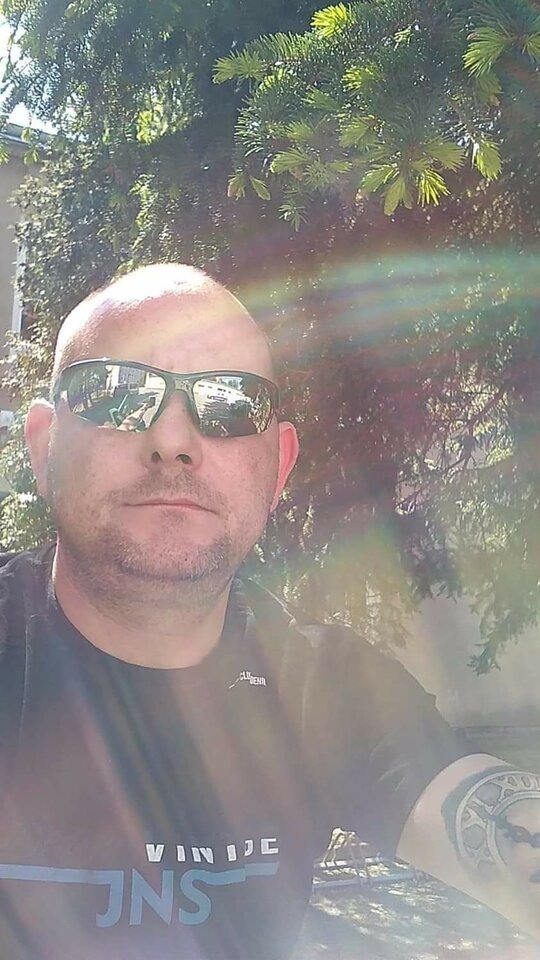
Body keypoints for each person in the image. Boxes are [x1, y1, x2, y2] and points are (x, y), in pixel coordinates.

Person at [0, 263, 539, 960]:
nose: (173, 440)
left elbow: (484, 808)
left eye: (230, 404)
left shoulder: (323, 689)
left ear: (279, 467)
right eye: (115, 393)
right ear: (43, 445)